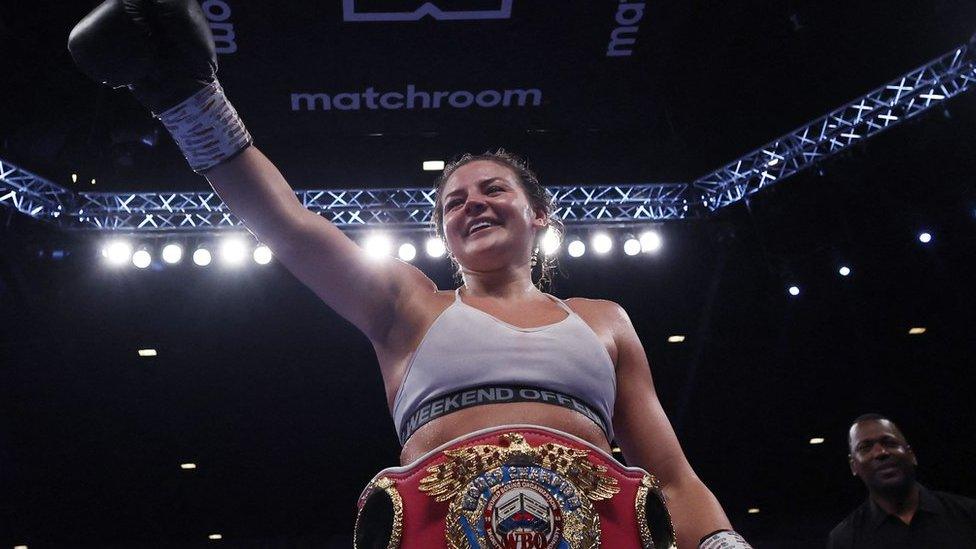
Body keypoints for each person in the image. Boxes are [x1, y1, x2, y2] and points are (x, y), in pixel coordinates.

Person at [68, 1, 752, 547]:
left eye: (492, 190)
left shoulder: (604, 319)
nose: (471, 203)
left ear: (540, 214)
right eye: (454, 200)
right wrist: (191, 101)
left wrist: (726, 545)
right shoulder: (409, 303)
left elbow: (670, 475)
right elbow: (285, 224)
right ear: (443, 234)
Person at [827, 413, 976, 548]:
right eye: (865, 447)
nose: (881, 452)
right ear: (854, 466)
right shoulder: (843, 540)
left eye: (889, 443)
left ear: (911, 455)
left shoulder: (969, 514)